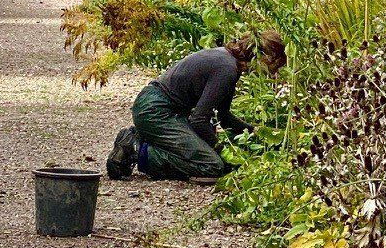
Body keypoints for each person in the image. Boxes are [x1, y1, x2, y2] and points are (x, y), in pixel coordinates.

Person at [105, 31, 286, 183]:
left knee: (212, 159)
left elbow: (224, 117)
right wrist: (221, 149)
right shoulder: (227, 69)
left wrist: (259, 133)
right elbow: (199, 120)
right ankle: (138, 150)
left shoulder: (229, 62)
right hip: (155, 111)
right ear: (264, 56)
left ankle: (145, 137)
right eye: (275, 65)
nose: (273, 73)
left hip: (160, 108)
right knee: (211, 166)